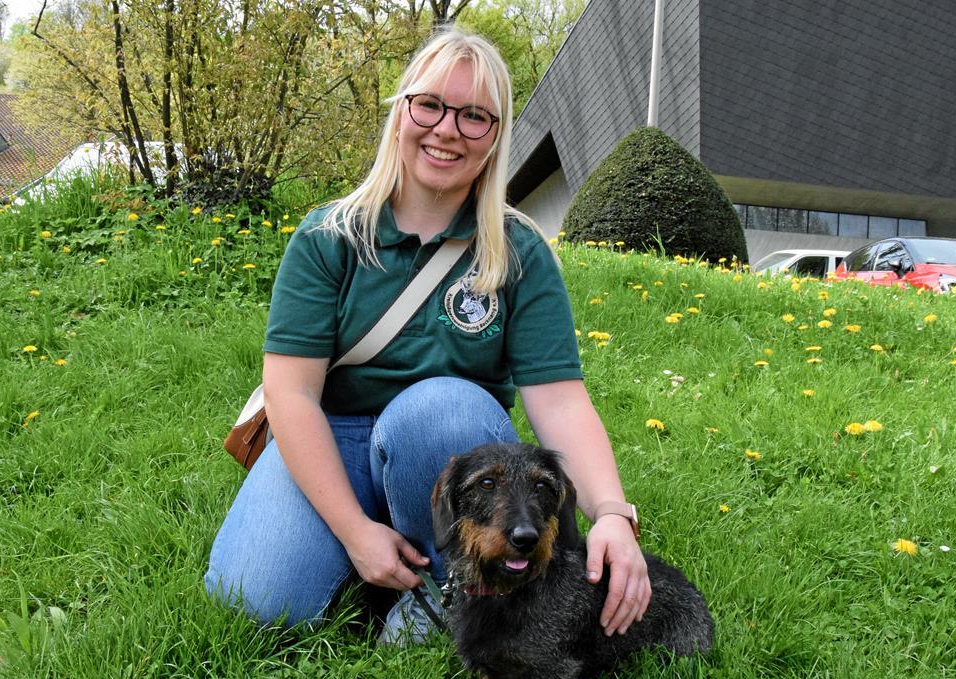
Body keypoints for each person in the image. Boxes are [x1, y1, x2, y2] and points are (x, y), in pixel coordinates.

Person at [204, 28, 649, 644]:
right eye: (430, 105)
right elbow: (291, 396)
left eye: (475, 117)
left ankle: (447, 586)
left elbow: (560, 399)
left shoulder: (518, 252)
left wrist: (612, 516)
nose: (447, 130)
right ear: (401, 111)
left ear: (495, 138)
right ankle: (371, 543)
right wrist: (355, 533)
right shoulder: (326, 238)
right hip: (331, 433)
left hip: (445, 440)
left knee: (437, 405)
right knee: (256, 603)